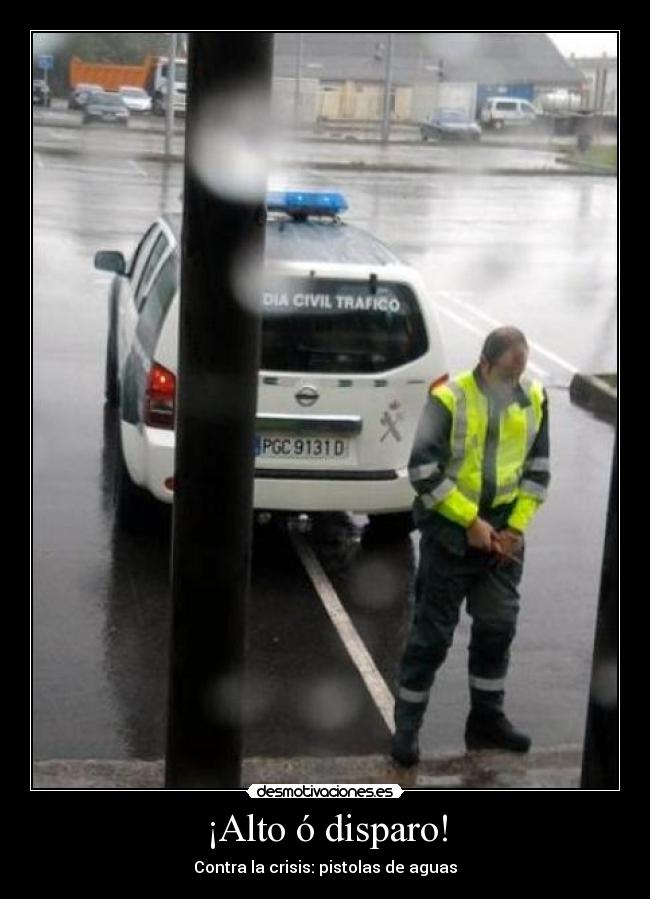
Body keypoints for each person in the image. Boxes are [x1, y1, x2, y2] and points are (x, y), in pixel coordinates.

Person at [391, 326, 550, 767]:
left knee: (497, 630)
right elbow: (423, 471)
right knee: (431, 637)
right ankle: (407, 728)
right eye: (504, 372)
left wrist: (514, 530)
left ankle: (486, 720)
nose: (511, 382)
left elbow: (538, 473)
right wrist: (470, 521)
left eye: (518, 372)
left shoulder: (534, 397)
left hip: (502, 540)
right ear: (485, 363)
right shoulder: (449, 398)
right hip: (451, 537)